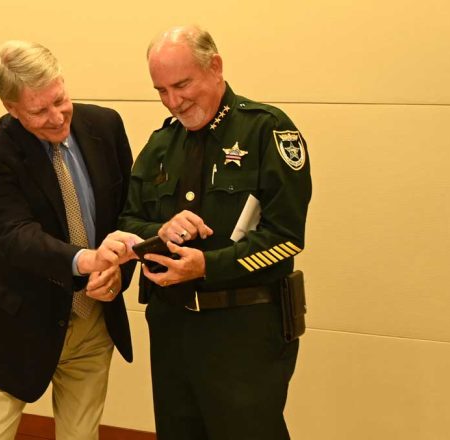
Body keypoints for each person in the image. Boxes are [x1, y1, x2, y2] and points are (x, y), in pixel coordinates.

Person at [118, 25, 312, 439]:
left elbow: (287, 236)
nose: (174, 101)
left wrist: (208, 265)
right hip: (172, 329)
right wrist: (161, 230)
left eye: (182, 84)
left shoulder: (266, 131)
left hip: (244, 329)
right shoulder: (160, 145)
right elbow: (128, 223)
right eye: (161, 91)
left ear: (215, 67)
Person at [0, 40, 140, 440]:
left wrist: (116, 271)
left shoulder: (105, 126)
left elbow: (128, 212)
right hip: (20, 326)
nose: (56, 116)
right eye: (39, 110)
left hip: (92, 320)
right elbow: (15, 237)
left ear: (63, 82)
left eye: (60, 99)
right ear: (11, 108)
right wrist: (85, 260)